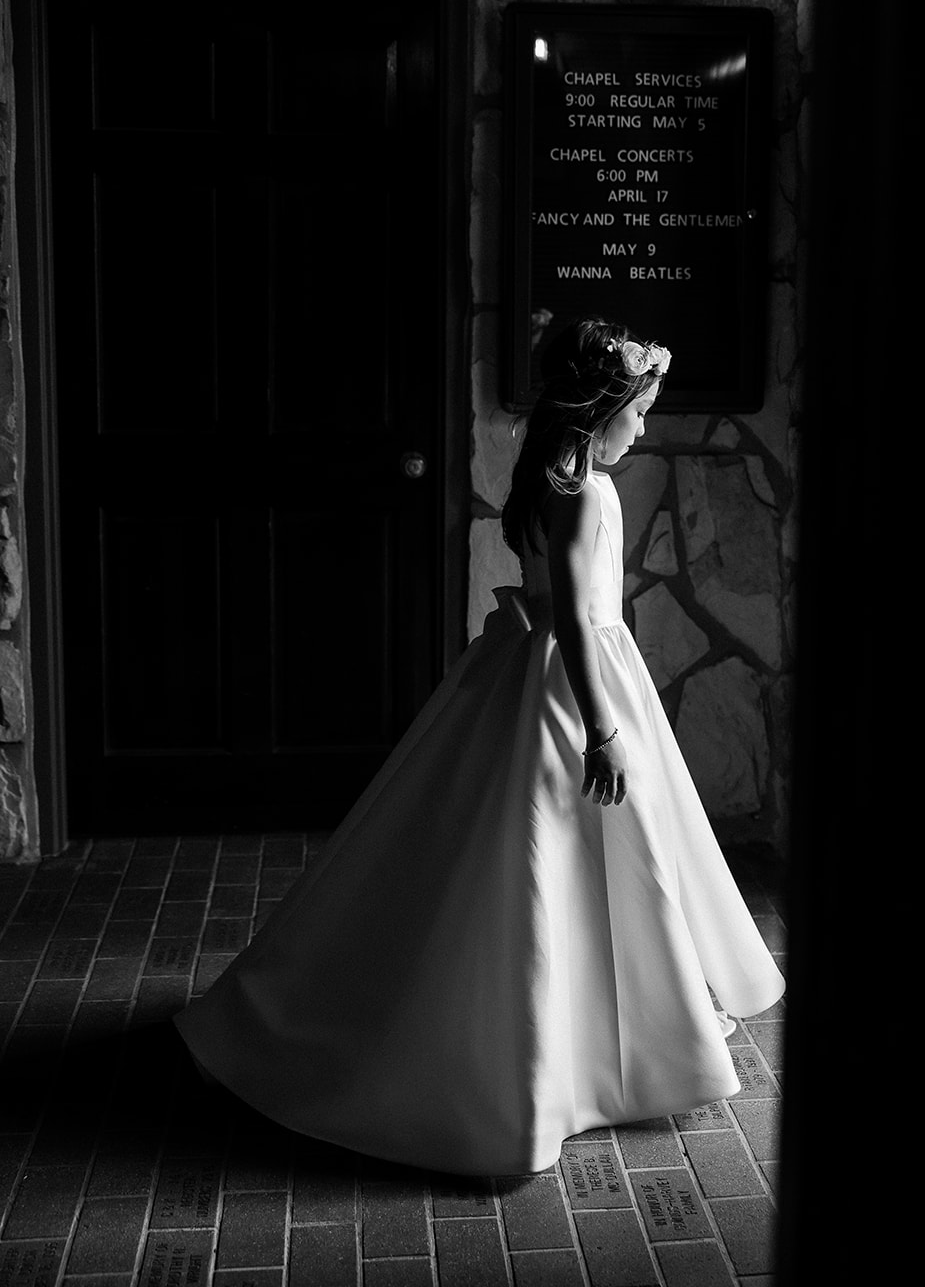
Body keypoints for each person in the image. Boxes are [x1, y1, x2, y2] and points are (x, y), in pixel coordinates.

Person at [173, 317, 785, 1175]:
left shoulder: (547, 477)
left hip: (527, 670)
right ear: (601, 407)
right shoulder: (587, 491)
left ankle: (597, 1020)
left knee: (553, 851)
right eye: (639, 409)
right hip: (577, 684)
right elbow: (573, 616)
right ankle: (579, 1041)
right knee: (574, 848)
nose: (644, 427)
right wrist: (602, 728)